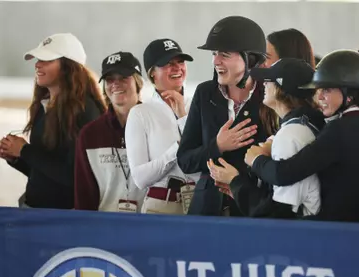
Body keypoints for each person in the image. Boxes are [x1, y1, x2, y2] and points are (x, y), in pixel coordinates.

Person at [245, 50, 359, 223]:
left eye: (326, 89)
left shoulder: (341, 130)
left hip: (344, 232)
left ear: (349, 95)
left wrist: (256, 159)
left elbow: (284, 173)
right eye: (318, 90)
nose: (319, 97)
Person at [176, 16, 278, 216]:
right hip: (207, 210)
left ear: (250, 59)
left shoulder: (271, 95)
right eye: (214, 54)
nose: (215, 61)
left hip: (251, 209)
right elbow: (185, 161)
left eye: (224, 54)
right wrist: (217, 146)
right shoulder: (204, 93)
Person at [0, 33, 105, 209]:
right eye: (38, 59)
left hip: (62, 219)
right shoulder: (45, 106)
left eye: (46, 60)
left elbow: (74, 177)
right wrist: (16, 157)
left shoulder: (85, 111)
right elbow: (45, 174)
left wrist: (25, 151)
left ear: (68, 66)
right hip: (36, 211)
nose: (37, 65)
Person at [207, 58, 324, 219]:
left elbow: (278, 214)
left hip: (297, 235)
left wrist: (235, 181)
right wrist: (238, 188)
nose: (263, 84)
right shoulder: (303, 126)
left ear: (281, 89)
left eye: (269, 81)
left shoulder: (290, 135)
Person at [125, 39, 196, 215]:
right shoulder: (140, 113)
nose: (177, 68)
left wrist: (184, 117)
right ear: (152, 74)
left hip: (201, 203)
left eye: (180, 61)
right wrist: (178, 149)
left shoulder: (199, 103)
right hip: (161, 206)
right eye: (167, 64)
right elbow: (140, 178)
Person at [74, 51, 146, 212]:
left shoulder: (155, 126)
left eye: (123, 78)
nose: (116, 84)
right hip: (103, 226)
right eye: (110, 79)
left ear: (138, 83)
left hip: (149, 224)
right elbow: (84, 194)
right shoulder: (90, 134)